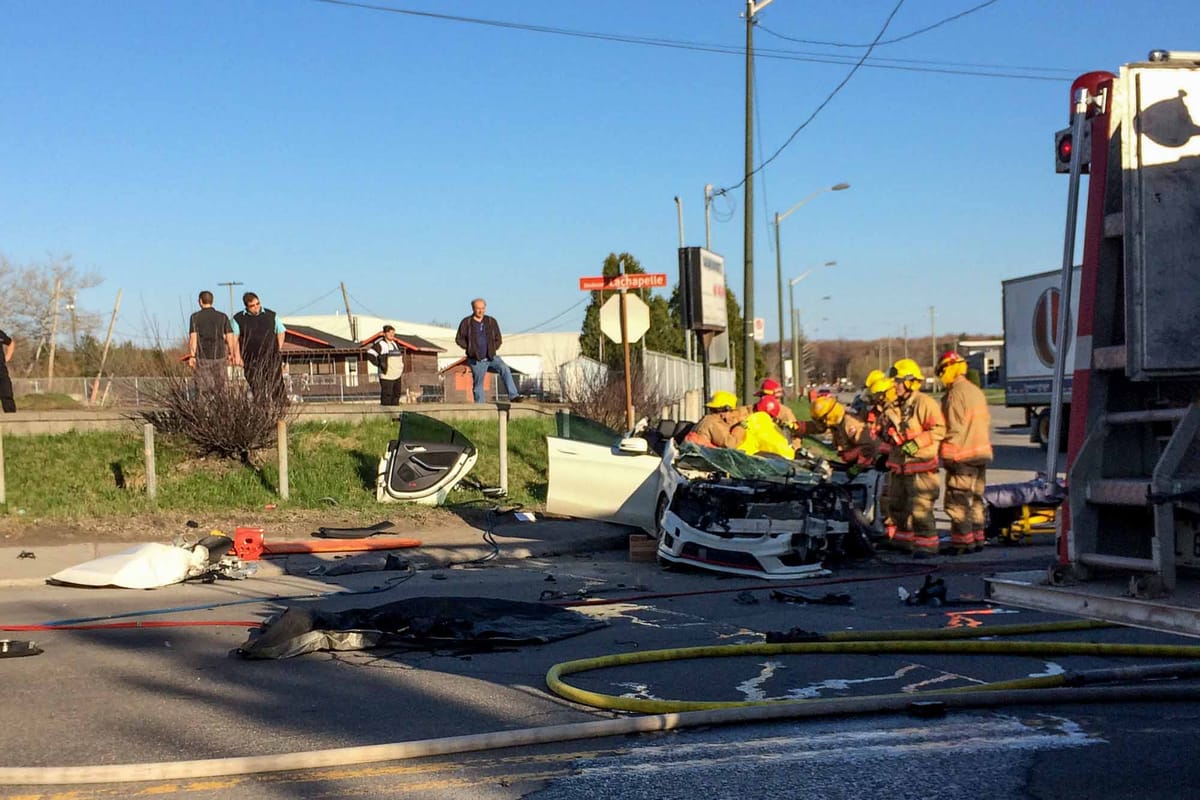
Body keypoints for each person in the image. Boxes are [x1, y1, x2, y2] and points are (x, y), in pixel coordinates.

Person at [883, 358, 946, 557]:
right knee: (898, 507)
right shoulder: (896, 406)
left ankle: (927, 546)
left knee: (920, 510)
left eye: (899, 381)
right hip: (901, 468)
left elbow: (939, 429)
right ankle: (903, 542)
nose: (895, 385)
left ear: (910, 382)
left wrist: (917, 443)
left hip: (921, 469)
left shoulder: (924, 403)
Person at [936, 351, 994, 554]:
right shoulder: (975, 391)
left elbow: (953, 429)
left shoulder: (955, 394)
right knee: (976, 499)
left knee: (958, 501)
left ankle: (962, 543)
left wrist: (946, 456)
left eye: (942, 370)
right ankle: (977, 539)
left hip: (961, 456)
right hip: (980, 454)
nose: (941, 374)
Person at [455, 298, 522, 403]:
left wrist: (493, 348)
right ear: (473, 309)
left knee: (504, 368)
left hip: (491, 357)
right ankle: (480, 408)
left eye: (482, 308)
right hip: (476, 360)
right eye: (478, 309)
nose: (480, 311)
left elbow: (498, 338)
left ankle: (514, 396)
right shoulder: (466, 322)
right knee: (478, 385)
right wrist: (470, 349)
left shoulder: (491, 321)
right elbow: (459, 339)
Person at [232, 291, 286, 403]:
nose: (256, 307)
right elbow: (234, 338)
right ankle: (261, 408)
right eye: (252, 306)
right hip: (251, 358)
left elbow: (281, 331)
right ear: (246, 306)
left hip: (271, 356)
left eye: (258, 303)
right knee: (256, 385)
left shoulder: (271, 315)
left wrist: (278, 347)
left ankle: (281, 406)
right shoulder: (238, 319)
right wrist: (237, 355)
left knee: (276, 383)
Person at [809, 395, 876, 473]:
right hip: (855, 463)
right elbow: (819, 428)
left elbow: (869, 447)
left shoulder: (850, 426)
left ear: (828, 416)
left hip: (868, 468)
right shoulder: (838, 423)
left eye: (821, 420)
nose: (821, 423)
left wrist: (857, 467)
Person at [187, 290, 235, 393]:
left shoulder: (195, 317)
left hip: (203, 356)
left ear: (200, 301)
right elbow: (230, 336)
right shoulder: (223, 316)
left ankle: (204, 409)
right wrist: (231, 353)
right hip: (220, 355)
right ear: (212, 301)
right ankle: (221, 408)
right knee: (221, 388)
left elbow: (193, 338)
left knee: (203, 389)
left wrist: (192, 356)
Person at [371, 325, 405, 406]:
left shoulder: (395, 344)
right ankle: (386, 416)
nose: (392, 334)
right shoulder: (381, 344)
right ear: (384, 333)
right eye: (389, 332)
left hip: (397, 375)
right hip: (386, 375)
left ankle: (395, 418)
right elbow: (370, 354)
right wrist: (380, 364)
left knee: (396, 395)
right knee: (387, 395)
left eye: (393, 332)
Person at [0, 329, 15, 412]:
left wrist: (7, 357)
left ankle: (11, 418)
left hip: (1, 369)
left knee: (7, 393)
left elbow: (11, 343)